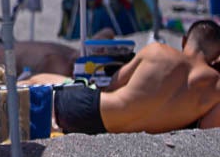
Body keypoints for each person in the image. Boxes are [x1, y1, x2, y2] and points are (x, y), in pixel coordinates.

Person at [52, 19, 220, 134]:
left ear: (184, 41)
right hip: (102, 125)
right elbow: (208, 127)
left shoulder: (158, 51)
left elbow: (113, 84)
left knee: (39, 83)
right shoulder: (215, 89)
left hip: (88, 112)